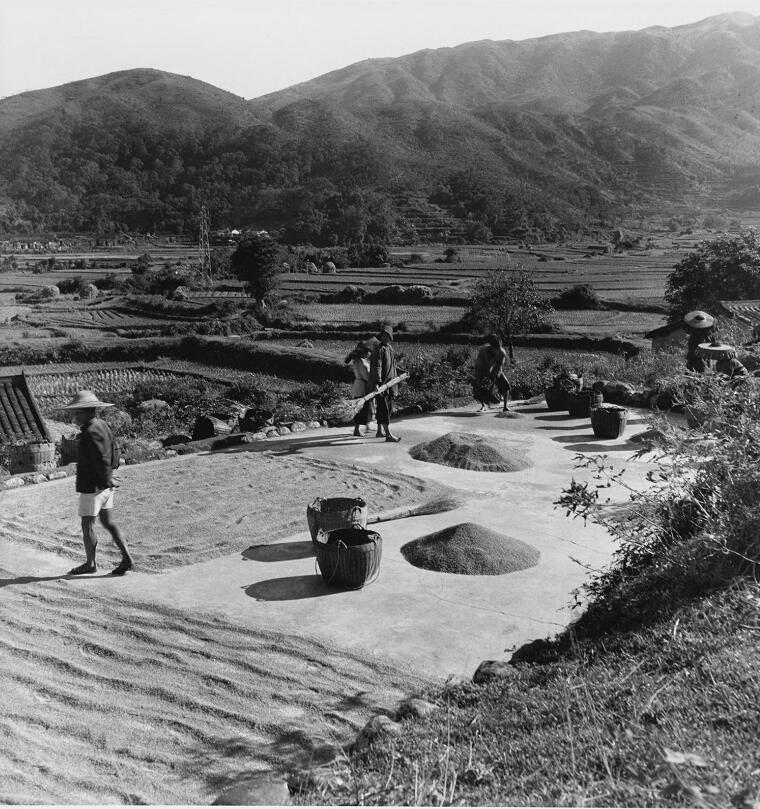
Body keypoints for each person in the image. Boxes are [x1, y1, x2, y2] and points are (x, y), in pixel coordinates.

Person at [63, 390, 133, 576]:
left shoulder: (89, 433)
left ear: (89, 411)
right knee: (109, 522)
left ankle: (90, 563)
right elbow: (114, 449)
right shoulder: (103, 425)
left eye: (78, 413)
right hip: (106, 486)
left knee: (87, 524)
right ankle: (126, 557)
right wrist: (110, 475)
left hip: (93, 486)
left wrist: (105, 477)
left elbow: (100, 457)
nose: (75, 417)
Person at [370, 325, 402, 442]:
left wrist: (402, 372)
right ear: (381, 337)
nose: (385, 338)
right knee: (384, 409)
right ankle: (388, 435)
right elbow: (377, 366)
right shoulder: (379, 350)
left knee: (384, 409)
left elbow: (393, 366)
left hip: (390, 384)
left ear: (390, 337)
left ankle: (379, 431)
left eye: (387, 336)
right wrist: (377, 383)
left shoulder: (390, 349)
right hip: (382, 385)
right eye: (383, 335)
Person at [473, 334, 512, 412]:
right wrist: (480, 376)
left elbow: (498, 366)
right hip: (482, 369)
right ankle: (483, 406)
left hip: (496, 371)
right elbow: (479, 364)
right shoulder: (484, 351)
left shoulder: (502, 352)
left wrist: (493, 378)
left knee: (506, 386)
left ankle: (505, 406)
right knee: (479, 388)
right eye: (494, 347)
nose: (496, 349)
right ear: (491, 346)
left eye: (497, 347)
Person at [345, 340, 374, 437]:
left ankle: (363, 427)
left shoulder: (357, 360)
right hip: (362, 386)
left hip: (358, 385)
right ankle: (356, 430)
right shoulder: (362, 362)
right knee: (360, 409)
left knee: (360, 408)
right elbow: (366, 376)